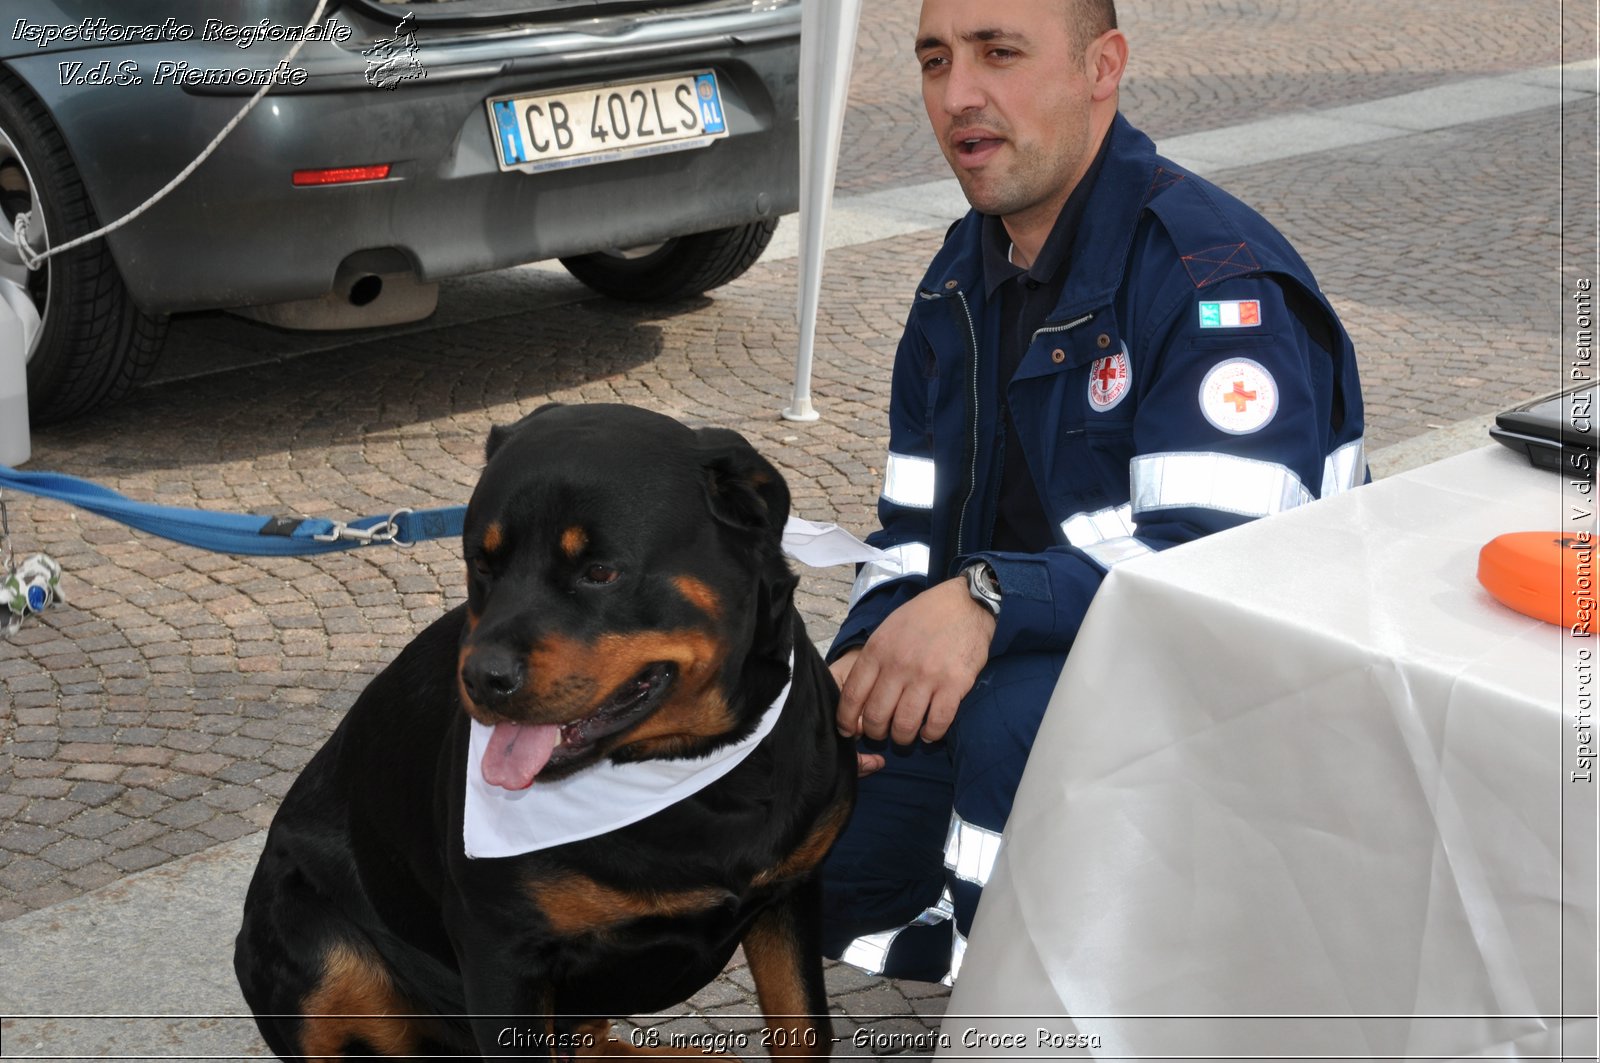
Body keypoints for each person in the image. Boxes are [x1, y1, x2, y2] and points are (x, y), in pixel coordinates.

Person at [819, 0, 1367, 985]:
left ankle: (1065, 1008)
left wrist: (987, 598)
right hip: (1031, 639)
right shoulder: (960, 277)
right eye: (935, 60)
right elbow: (908, 522)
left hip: (1230, 686)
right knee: (805, 826)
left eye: (1000, 54)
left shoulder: (1213, 282)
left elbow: (1220, 559)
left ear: (1101, 66)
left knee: (1010, 735)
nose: (959, 95)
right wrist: (863, 652)